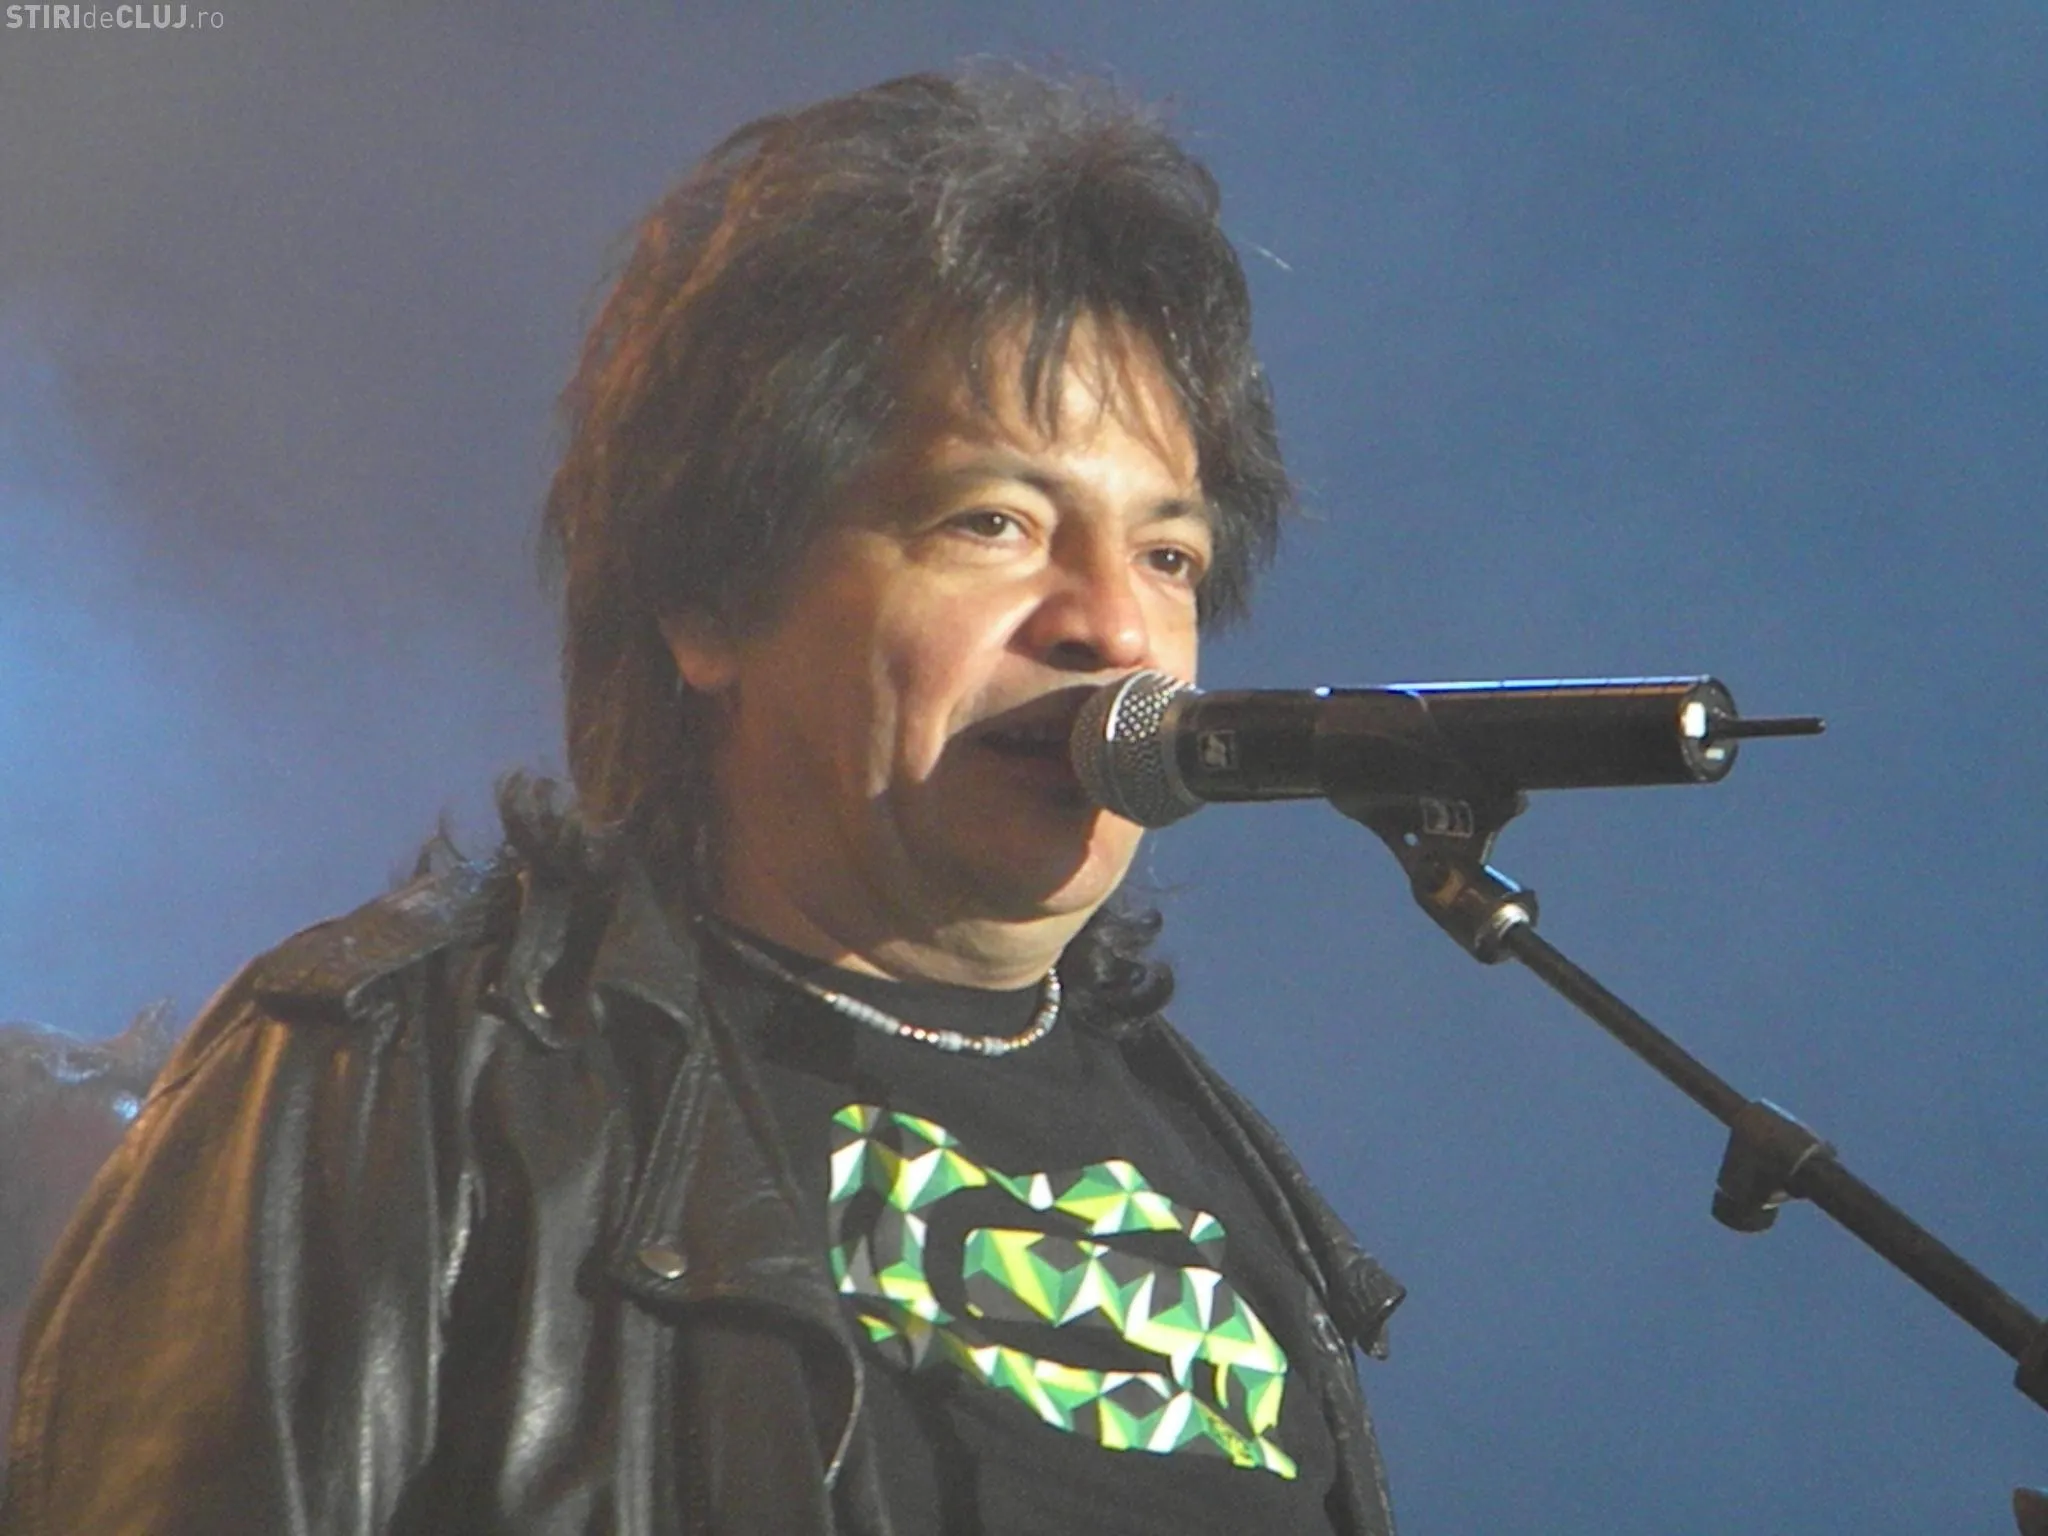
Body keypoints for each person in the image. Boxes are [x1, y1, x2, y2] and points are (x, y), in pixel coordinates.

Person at [0, 67, 1405, 1534]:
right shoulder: (397, 1088)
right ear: (712, 599)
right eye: (994, 522)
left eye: (1168, 557)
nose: (1113, 626)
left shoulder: (1230, 1187)